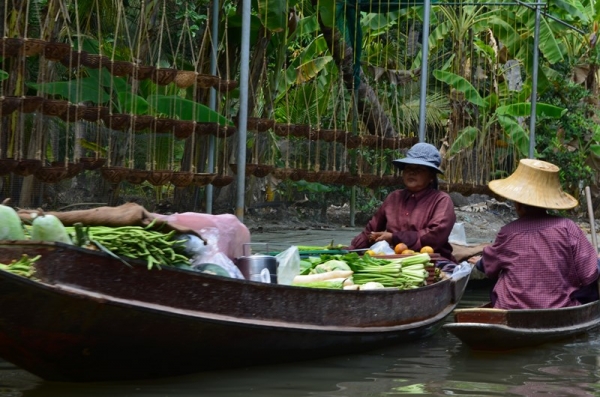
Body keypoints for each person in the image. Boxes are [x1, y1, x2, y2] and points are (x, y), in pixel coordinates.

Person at [468, 158, 599, 310]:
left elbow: (489, 266)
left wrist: (479, 262)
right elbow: (589, 273)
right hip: (560, 308)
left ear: (517, 205)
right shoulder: (567, 227)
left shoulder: (508, 232)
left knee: (497, 281)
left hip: (513, 310)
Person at [349, 142, 457, 264]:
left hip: (431, 261)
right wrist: (350, 250)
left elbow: (434, 236)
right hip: (392, 260)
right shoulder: (394, 198)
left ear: (431, 176)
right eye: (408, 168)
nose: (412, 172)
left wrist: (394, 237)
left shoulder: (441, 200)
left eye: (419, 169)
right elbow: (371, 231)